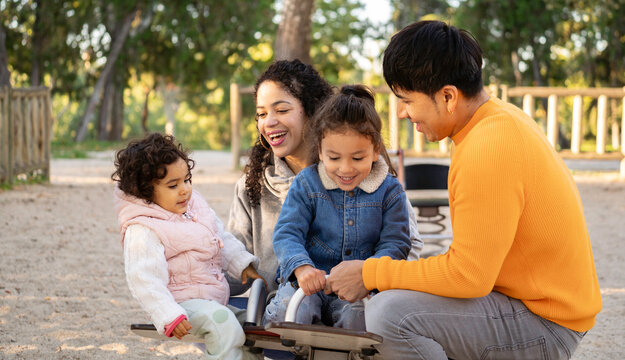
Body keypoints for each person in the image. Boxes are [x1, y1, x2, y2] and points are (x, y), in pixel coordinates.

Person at [325, 21, 602, 359]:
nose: (401, 113)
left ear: (448, 96)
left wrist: (370, 272)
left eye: (407, 100)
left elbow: (469, 276)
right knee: (387, 303)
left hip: (545, 324)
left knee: (390, 315)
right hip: (528, 304)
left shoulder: (489, 147)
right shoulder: (493, 121)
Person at [227, 59, 424, 295]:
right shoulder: (253, 186)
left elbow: (407, 245)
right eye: (261, 114)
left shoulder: (369, 178)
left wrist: (368, 277)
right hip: (287, 312)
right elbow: (234, 268)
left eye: (281, 110)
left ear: (312, 110)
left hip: (358, 306)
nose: (268, 122)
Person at [263, 85, 411, 329]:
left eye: (357, 158)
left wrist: (366, 273)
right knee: (288, 312)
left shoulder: (389, 191)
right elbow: (288, 232)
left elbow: (396, 244)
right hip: (310, 282)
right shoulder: (307, 184)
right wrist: (302, 267)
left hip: (357, 287)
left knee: (362, 320)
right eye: (334, 158)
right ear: (320, 151)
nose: (345, 169)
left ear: (375, 151)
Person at [112, 133, 263, 360]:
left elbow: (219, 237)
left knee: (252, 324)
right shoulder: (143, 228)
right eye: (173, 185)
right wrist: (168, 314)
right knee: (222, 323)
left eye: (186, 179)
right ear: (144, 192)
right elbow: (144, 279)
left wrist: (241, 264)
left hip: (211, 299)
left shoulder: (194, 208)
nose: (185, 190)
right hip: (180, 304)